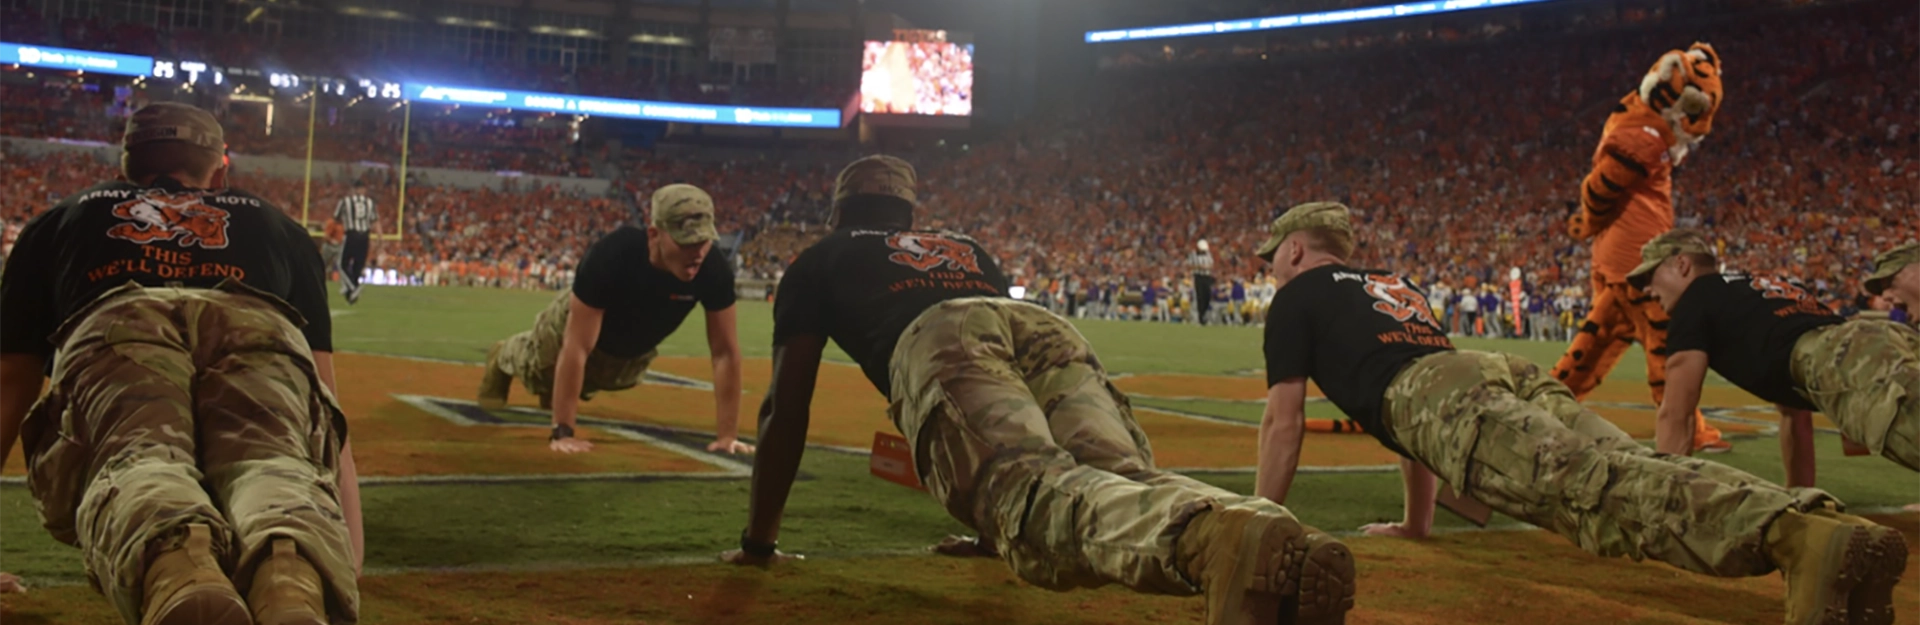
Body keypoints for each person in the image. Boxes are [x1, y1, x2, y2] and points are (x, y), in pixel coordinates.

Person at [723, 156, 1358, 625]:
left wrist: (759, 544)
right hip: (1038, 325)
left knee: (1028, 494)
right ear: (910, 214)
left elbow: (787, 405)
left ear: (838, 213)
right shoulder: (963, 246)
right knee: (1118, 470)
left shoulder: (821, 257)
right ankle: (1276, 536)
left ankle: (1205, 541)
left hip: (941, 335)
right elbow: (1004, 377)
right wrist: (980, 533)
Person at [1254, 203, 1905, 625]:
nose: (1271, 270)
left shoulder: (1295, 298)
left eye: (1272, 258)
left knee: (1601, 489)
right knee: (1627, 460)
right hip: (1495, 369)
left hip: (1438, 394)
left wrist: (1263, 521)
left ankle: (1801, 537)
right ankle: (1817, 524)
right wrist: (1417, 522)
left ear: (1294, 251)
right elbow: (1418, 404)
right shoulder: (1391, 283)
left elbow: (1284, 422)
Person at [0, 102, 362, 625]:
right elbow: (328, 408)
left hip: (121, 321)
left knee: (141, 458)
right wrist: (346, 555)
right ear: (220, 169)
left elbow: (10, 383)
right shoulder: (280, 228)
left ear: (124, 165)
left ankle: (180, 569)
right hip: (255, 321)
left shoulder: (61, 219)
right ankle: (292, 573)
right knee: (271, 462)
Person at [1632, 231, 1920, 493]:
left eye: (1650, 277)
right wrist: (1799, 494)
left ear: (1682, 265)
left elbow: (1676, 414)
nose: (1647, 289)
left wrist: (1663, 497)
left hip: (1842, 359)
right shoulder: (1756, 287)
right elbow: (1794, 415)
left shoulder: (1695, 299)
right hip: (1877, 339)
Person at [478, 184, 753, 456]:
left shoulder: (713, 270)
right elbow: (576, 346)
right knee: (537, 365)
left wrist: (727, 436)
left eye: (704, 241)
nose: (697, 253)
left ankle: (553, 390)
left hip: (628, 347)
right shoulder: (611, 255)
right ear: (655, 234)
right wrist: (563, 432)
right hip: (577, 322)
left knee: (610, 379)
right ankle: (502, 355)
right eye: (685, 242)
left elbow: (725, 354)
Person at [1553, 42, 1731, 453]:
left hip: (1625, 252)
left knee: (1594, 345)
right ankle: (1689, 428)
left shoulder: (1648, 130)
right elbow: (1599, 189)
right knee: (1667, 342)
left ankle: (1538, 405)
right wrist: (1589, 222)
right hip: (1638, 259)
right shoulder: (1646, 137)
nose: (1698, 124)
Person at [331, 182, 377, 304]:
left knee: (341, 264)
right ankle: (351, 295)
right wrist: (380, 237)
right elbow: (374, 220)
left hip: (351, 235)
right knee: (358, 265)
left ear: (354, 189)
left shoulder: (346, 201)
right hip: (365, 236)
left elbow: (336, 217)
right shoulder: (370, 202)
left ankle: (352, 287)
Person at [1189, 240, 1216, 325]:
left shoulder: (1208, 254)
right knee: (1200, 296)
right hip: (1198, 276)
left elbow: (1211, 264)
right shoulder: (1193, 254)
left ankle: (1204, 314)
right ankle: (1201, 318)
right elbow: (1190, 265)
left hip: (1207, 277)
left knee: (1207, 296)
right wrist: (1199, 267)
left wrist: (1207, 267)